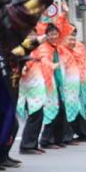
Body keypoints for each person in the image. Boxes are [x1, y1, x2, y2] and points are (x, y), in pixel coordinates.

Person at [18, 24, 63, 153]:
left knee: (38, 114)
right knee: (34, 114)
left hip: (38, 83)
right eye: (29, 34)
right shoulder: (22, 48)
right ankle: (26, 145)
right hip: (29, 84)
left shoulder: (37, 48)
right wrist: (24, 66)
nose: (32, 37)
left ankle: (32, 144)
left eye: (34, 34)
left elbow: (44, 60)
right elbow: (19, 61)